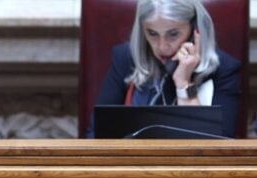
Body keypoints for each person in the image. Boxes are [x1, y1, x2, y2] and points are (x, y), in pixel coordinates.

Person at [92, 0, 241, 138]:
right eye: (152, 33)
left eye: (173, 34)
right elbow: (96, 133)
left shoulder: (224, 69)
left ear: (195, 29)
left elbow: (217, 146)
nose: (162, 46)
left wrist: (183, 84)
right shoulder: (125, 58)